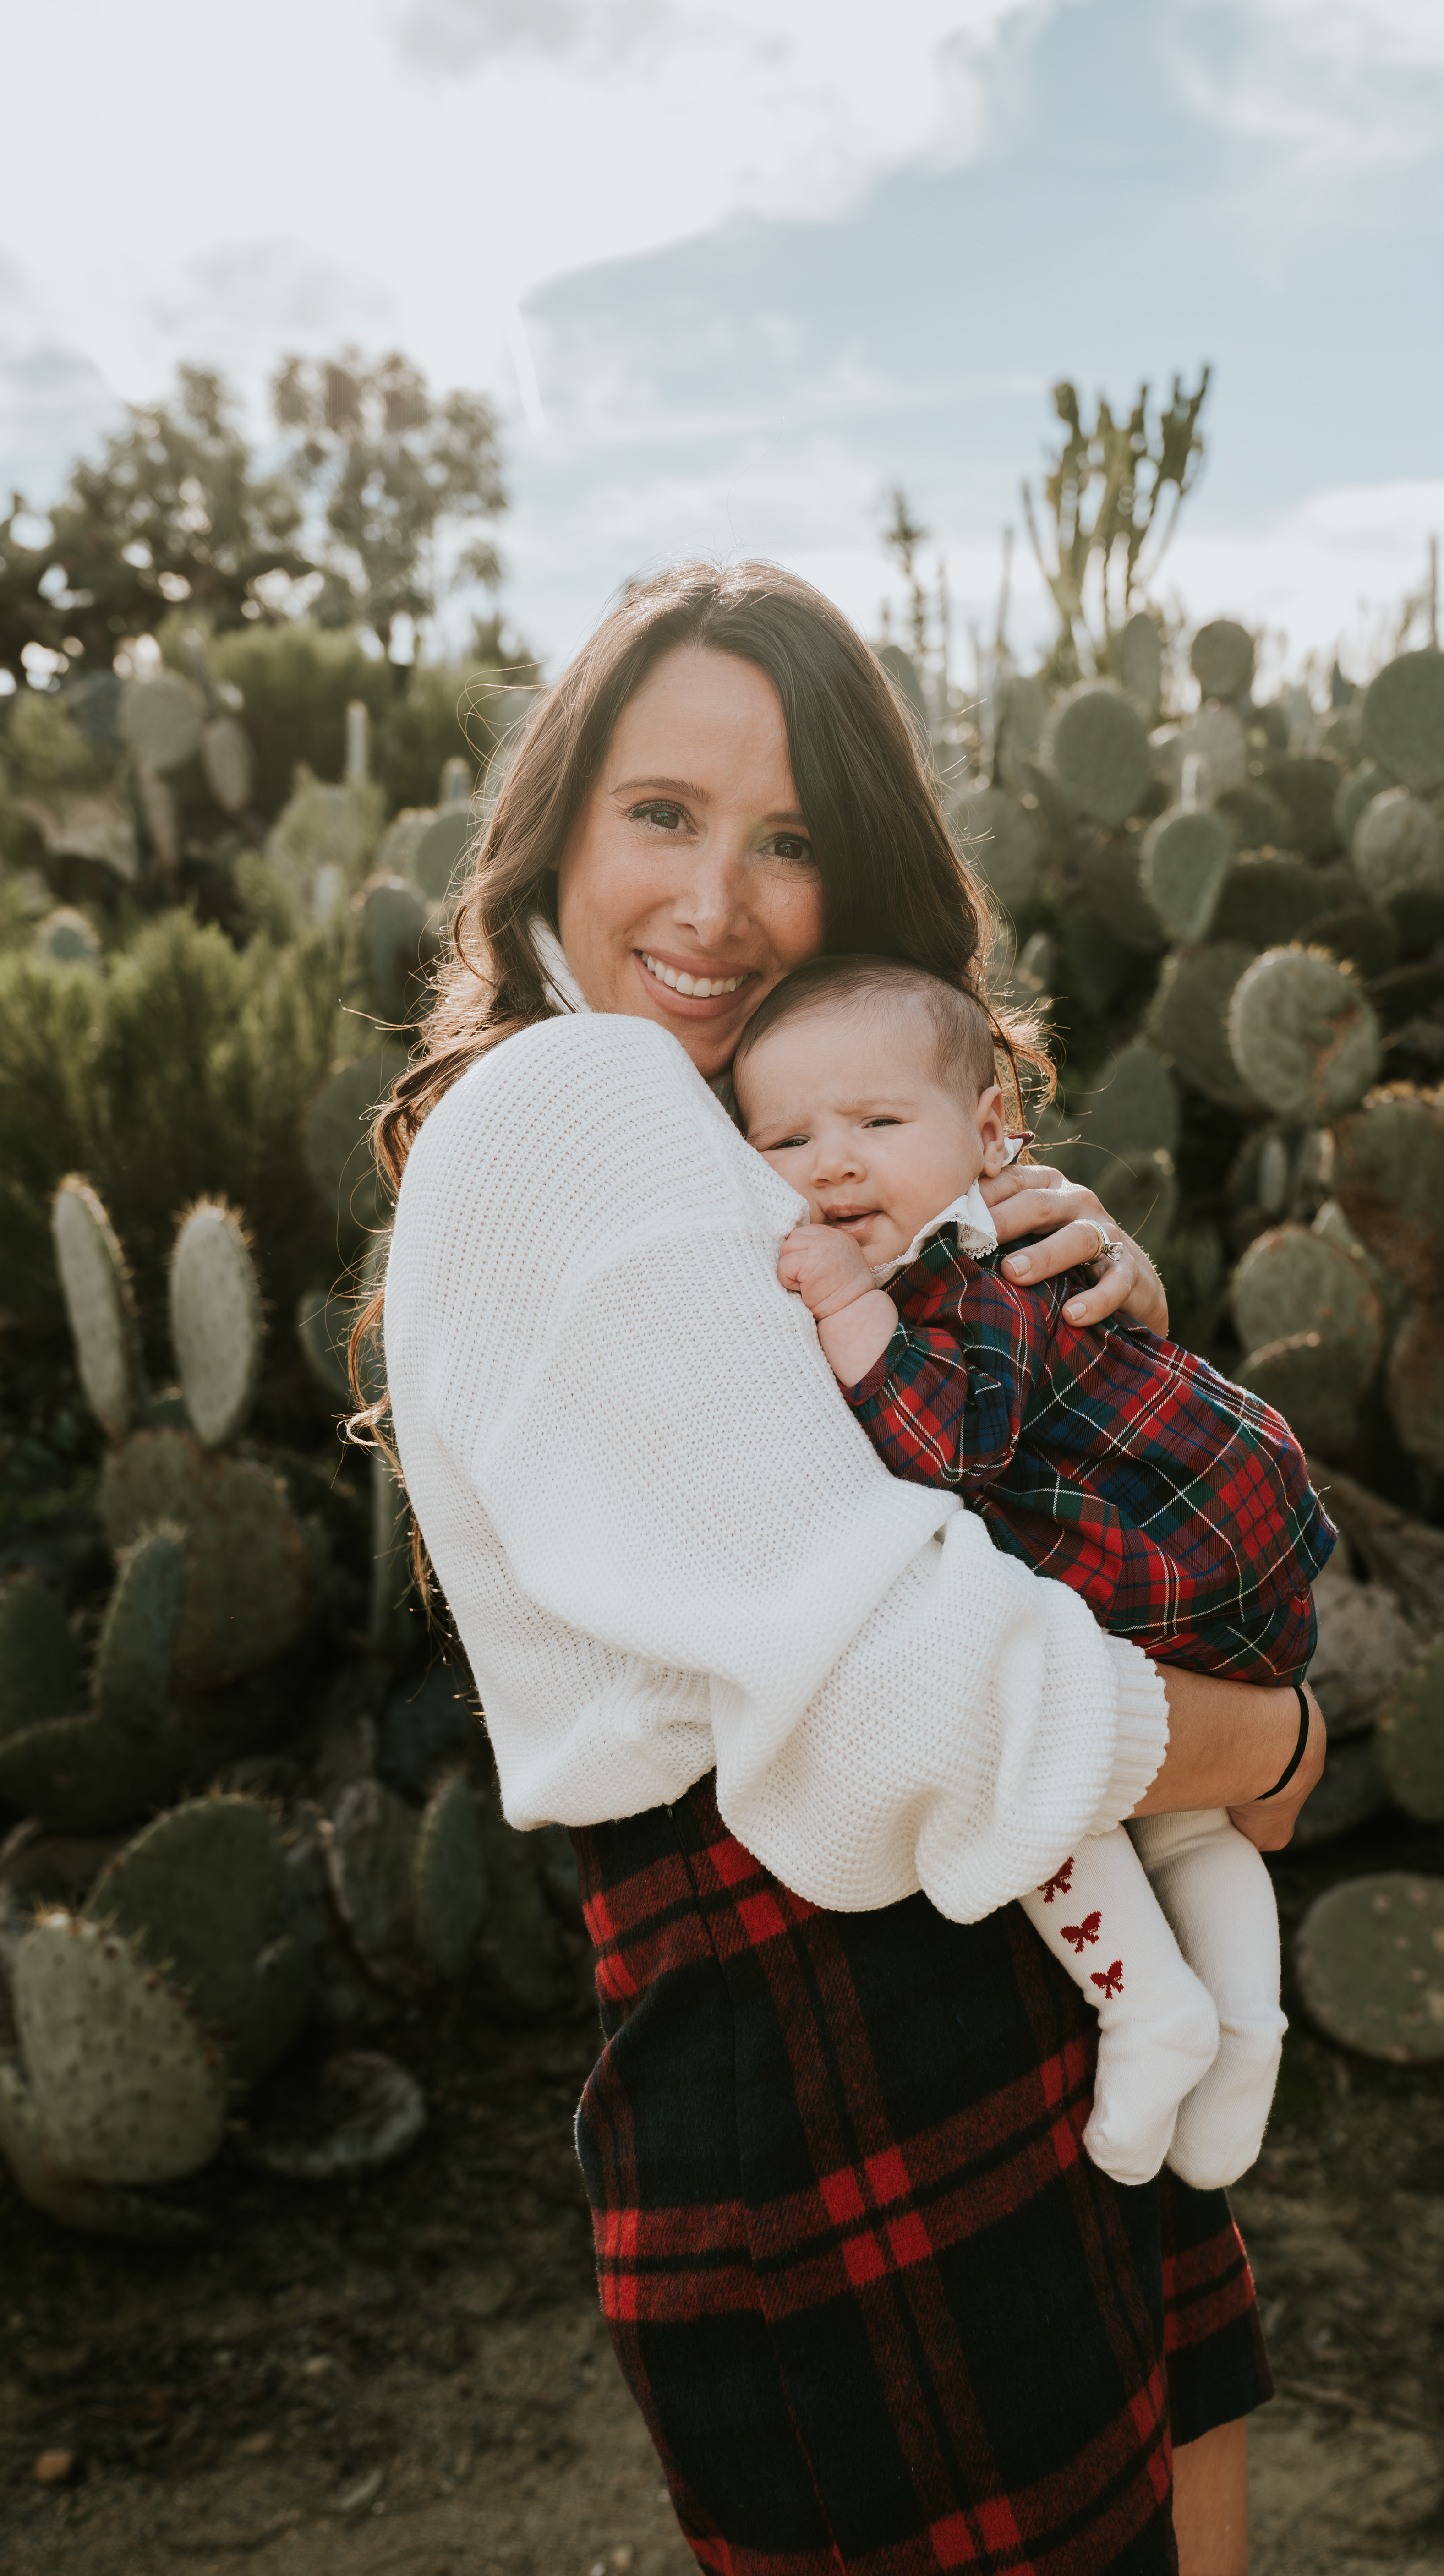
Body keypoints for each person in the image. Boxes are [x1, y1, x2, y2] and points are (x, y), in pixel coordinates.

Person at [372, 559, 1326, 2574]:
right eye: (663, 814)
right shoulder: (574, 1101)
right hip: (827, 2041)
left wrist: (1073, 1329)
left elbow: (946, 1518)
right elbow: (915, 1707)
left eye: (791, 839)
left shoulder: (769, 1151)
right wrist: (1272, 1746)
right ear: (556, 825)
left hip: (1045, 1975)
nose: (719, 903)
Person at [730, 951, 1332, 2193]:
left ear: (992, 1131)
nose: (831, 1163)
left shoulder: (976, 1267)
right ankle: (1245, 2032)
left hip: (1159, 1562)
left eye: (876, 1123)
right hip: (1208, 1550)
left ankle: (1147, 2004)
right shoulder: (981, 1245)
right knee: (1190, 1825)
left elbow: (944, 1448)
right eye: (786, 1140)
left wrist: (845, 1307)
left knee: (1028, 1767)